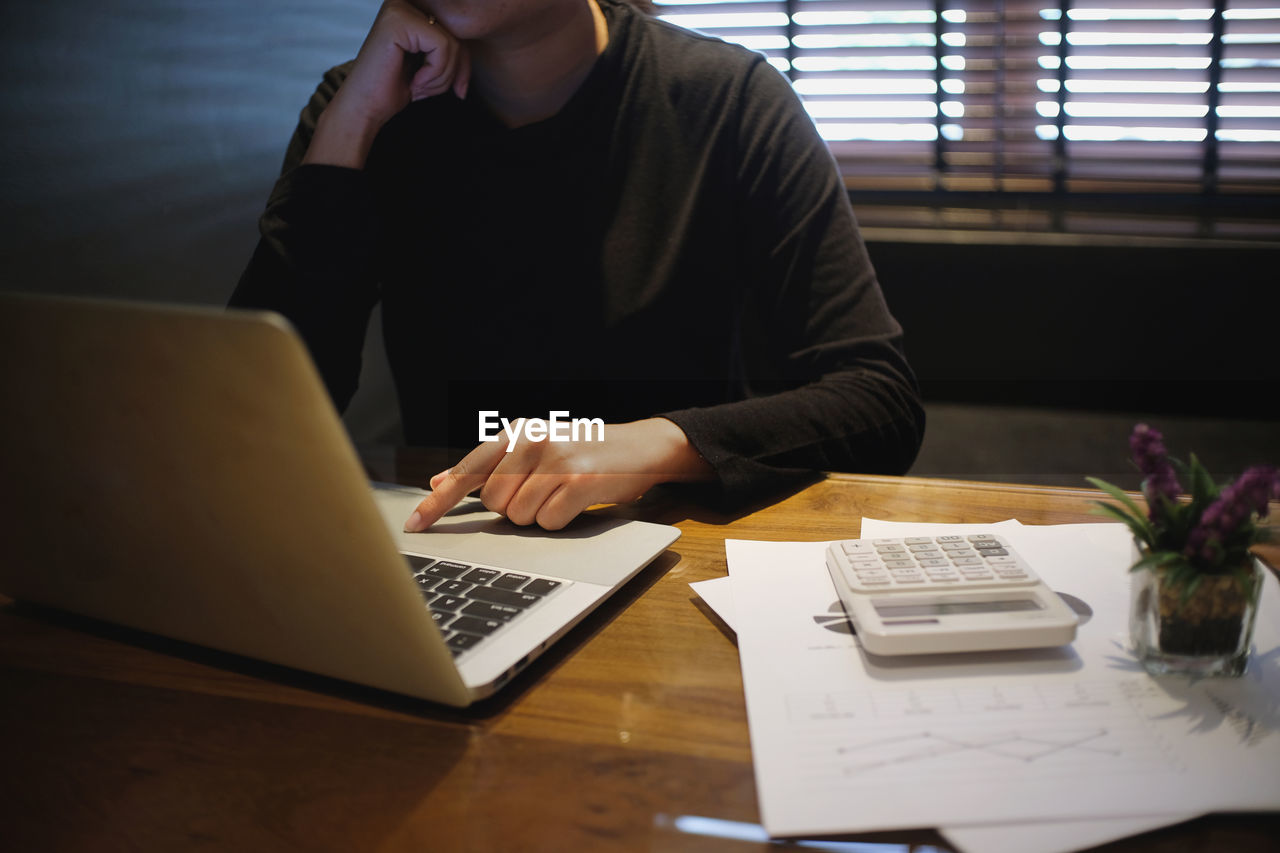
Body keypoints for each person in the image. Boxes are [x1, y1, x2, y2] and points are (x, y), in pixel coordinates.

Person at [231, 0, 925, 532]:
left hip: (673, 544)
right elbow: (249, 422)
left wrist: (651, 446)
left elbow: (877, 399)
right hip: (452, 537)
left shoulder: (726, 99)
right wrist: (351, 125)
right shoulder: (366, 109)